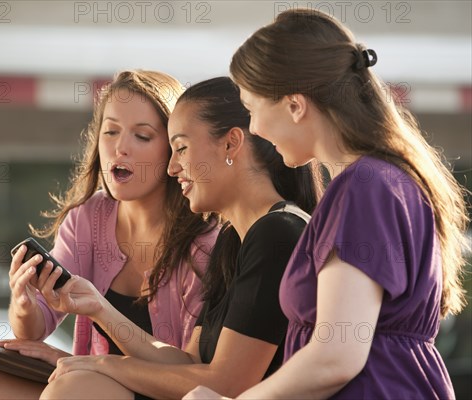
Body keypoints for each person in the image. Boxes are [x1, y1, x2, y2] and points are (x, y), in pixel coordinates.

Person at [185, 9, 469, 400]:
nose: (254, 129)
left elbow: (336, 355)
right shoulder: (386, 179)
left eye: (252, 110)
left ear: (295, 105)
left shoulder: (362, 187)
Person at [36, 77, 323, 400]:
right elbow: (188, 362)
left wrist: (103, 364)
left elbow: (227, 383)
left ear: (230, 144)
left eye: (182, 148)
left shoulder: (277, 233)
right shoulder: (233, 243)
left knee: (75, 390)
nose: (173, 168)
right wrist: (99, 310)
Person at [0, 70, 219, 399]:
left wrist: (96, 329)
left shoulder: (204, 239)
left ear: (174, 151)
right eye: (110, 131)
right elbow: (32, 330)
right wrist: (24, 303)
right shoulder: (89, 218)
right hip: (90, 379)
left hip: (163, 390)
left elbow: (189, 369)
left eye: (142, 136)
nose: (120, 147)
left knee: (71, 388)